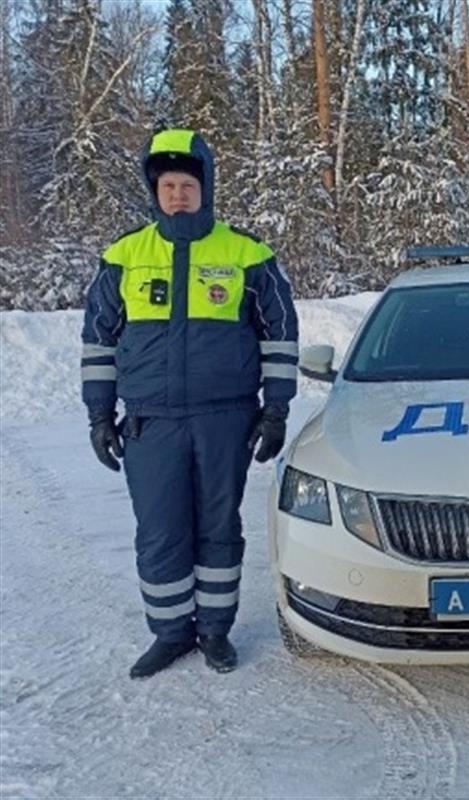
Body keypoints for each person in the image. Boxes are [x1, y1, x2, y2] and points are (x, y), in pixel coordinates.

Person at [80, 128, 299, 677]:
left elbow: (279, 335)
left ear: (208, 186)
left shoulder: (248, 255)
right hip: (152, 423)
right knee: (160, 530)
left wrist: (276, 410)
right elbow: (98, 341)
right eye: (167, 185)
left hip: (224, 418)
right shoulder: (124, 256)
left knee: (218, 527)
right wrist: (99, 415)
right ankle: (171, 633)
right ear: (154, 190)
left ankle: (215, 631)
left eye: (187, 183)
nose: (177, 194)